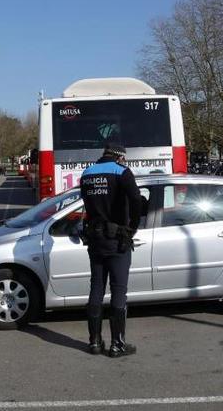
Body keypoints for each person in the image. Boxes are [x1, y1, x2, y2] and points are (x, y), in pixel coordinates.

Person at [79, 143, 143, 358]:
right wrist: (132, 228)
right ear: (119, 156)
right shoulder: (122, 172)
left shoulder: (87, 174)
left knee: (96, 288)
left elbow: (87, 205)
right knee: (118, 290)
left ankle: (94, 343)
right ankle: (118, 345)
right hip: (117, 239)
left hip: (95, 239)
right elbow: (136, 200)